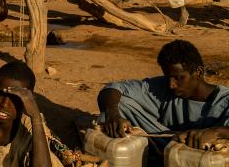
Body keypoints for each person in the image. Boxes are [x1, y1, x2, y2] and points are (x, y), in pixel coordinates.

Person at [98, 40, 229, 161]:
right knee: (119, 104)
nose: (172, 85)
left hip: (207, 156)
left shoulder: (225, 100)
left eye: (179, 78)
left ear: (198, 72)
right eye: (168, 77)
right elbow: (114, 88)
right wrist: (112, 113)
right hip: (166, 146)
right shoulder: (165, 86)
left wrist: (216, 132)